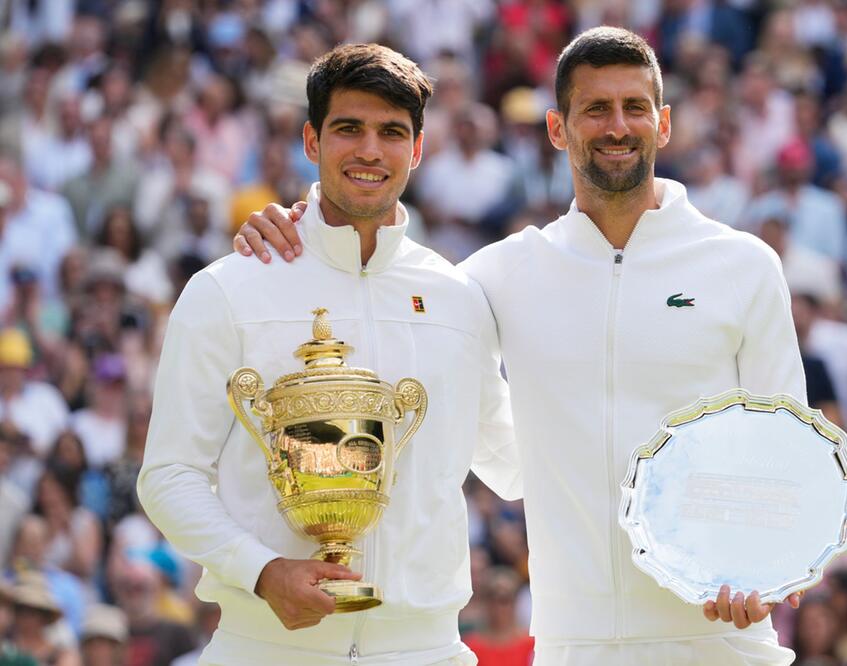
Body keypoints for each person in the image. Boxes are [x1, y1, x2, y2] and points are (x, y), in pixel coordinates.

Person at [235, 27, 805, 665]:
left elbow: (788, 450)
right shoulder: (496, 274)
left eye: (634, 108)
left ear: (663, 123)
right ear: (558, 128)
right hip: (572, 646)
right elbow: (379, 284)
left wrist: (767, 568)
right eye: (595, 109)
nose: (617, 126)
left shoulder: (744, 265)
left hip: (722, 639)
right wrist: (304, 231)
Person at [138, 43, 520, 666]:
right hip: (264, 645)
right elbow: (169, 476)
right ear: (311, 141)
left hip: (425, 649)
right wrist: (262, 572)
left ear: (418, 150)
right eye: (350, 128)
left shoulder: (459, 298)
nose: (370, 150)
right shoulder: (228, 288)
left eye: (392, 132)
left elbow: (514, 466)